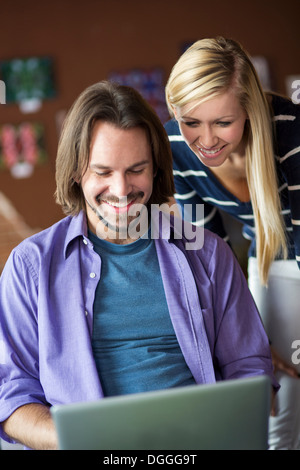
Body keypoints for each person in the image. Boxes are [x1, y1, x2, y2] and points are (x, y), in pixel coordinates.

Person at [0, 81, 276, 451]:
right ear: (76, 172)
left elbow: (249, 366)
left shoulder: (208, 254)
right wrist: (86, 443)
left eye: (136, 169)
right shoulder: (31, 266)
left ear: (156, 169)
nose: (121, 189)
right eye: (102, 172)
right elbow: (12, 396)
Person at [164, 36, 300, 450]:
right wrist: (248, 340)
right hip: (268, 255)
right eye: (191, 122)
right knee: (272, 398)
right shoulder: (174, 145)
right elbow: (204, 252)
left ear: (249, 109)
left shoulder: (291, 131)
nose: (205, 140)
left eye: (222, 122)